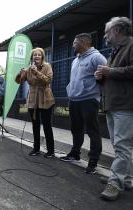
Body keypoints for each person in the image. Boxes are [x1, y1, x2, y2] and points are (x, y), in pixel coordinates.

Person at [94, 17, 133, 201]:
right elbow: (111, 76)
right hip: (112, 103)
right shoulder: (113, 52)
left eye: (107, 32)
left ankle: (115, 182)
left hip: (125, 104)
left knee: (122, 145)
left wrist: (110, 72)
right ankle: (127, 179)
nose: (105, 35)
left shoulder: (131, 45)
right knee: (122, 145)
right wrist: (100, 76)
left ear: (117, 30)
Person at [60, 33, 107, 173]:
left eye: (74, 43)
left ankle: (93, 161)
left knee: (93, 131)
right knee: (76, 129)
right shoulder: (75, 60)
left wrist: (101, 95)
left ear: (83, 43)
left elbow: (106, 75)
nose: (73, 45)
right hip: (74, 100)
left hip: (89, 100)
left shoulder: (96, 57)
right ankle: (75, 154)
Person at [15, 48, 56, 158]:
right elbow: (19, 81)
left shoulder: (47, 66)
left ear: (42, 57)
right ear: (32, 57)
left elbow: (48, 80)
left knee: (47, 125)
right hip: (33, 99)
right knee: (35, 125)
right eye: (34, 55)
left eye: (39, 55)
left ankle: (51, 150)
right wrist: (21, 73)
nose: (36, 56)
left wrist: (36, 72)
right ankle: (36, 148)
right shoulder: (28, 69)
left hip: (45, 99)